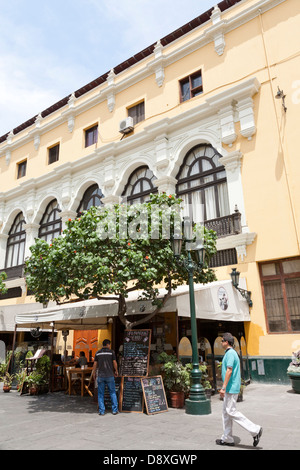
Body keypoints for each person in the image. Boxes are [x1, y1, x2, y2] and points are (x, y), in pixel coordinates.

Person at [216, 332, 263, 447]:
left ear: (226, 342)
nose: (221, 342)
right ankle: (227, 438)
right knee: (226, 413)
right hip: (230, 388)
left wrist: (223, 387)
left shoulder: (230, 353)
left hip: (231, 388)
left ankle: (255, 430)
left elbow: (229, 370)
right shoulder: (230, 353)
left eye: (222, 340)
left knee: (231, 411)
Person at [93, 339, 119, 416]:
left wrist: (94, 372)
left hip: (101, 376)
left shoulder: (97, 353)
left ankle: (102, 411)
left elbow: (95, 364)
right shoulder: (111, 352)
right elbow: (114, 362)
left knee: (100, 394)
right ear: (108, 344)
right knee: (112, 393)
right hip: (110, 375)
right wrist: (116, 370)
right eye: (109, 344)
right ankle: (114, 410)